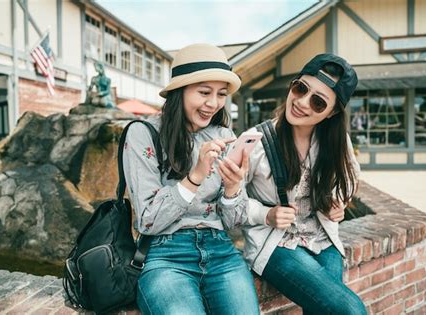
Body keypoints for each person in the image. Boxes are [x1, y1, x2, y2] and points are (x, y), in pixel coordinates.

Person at [122, 43, 260, 315]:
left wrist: (233, 189)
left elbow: (232, 222)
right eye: (204, 92)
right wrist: (195, 176)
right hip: (165, 253)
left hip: (220, 249)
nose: (214, 103)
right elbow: (148, 219)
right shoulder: (143, 134)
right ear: (180, 91)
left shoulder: (222, 134)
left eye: (221, 94)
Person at [243, 54, 367, 315]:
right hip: (276, 245)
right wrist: (265, 214)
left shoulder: (336, 141)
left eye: (318, 102)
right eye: (300, 88)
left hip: (323, 239)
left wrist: (338, 201)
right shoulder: (255, 142)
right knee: (351, 310)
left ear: (332, 113)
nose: (301, 102)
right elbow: (226, 202)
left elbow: (352, 178)